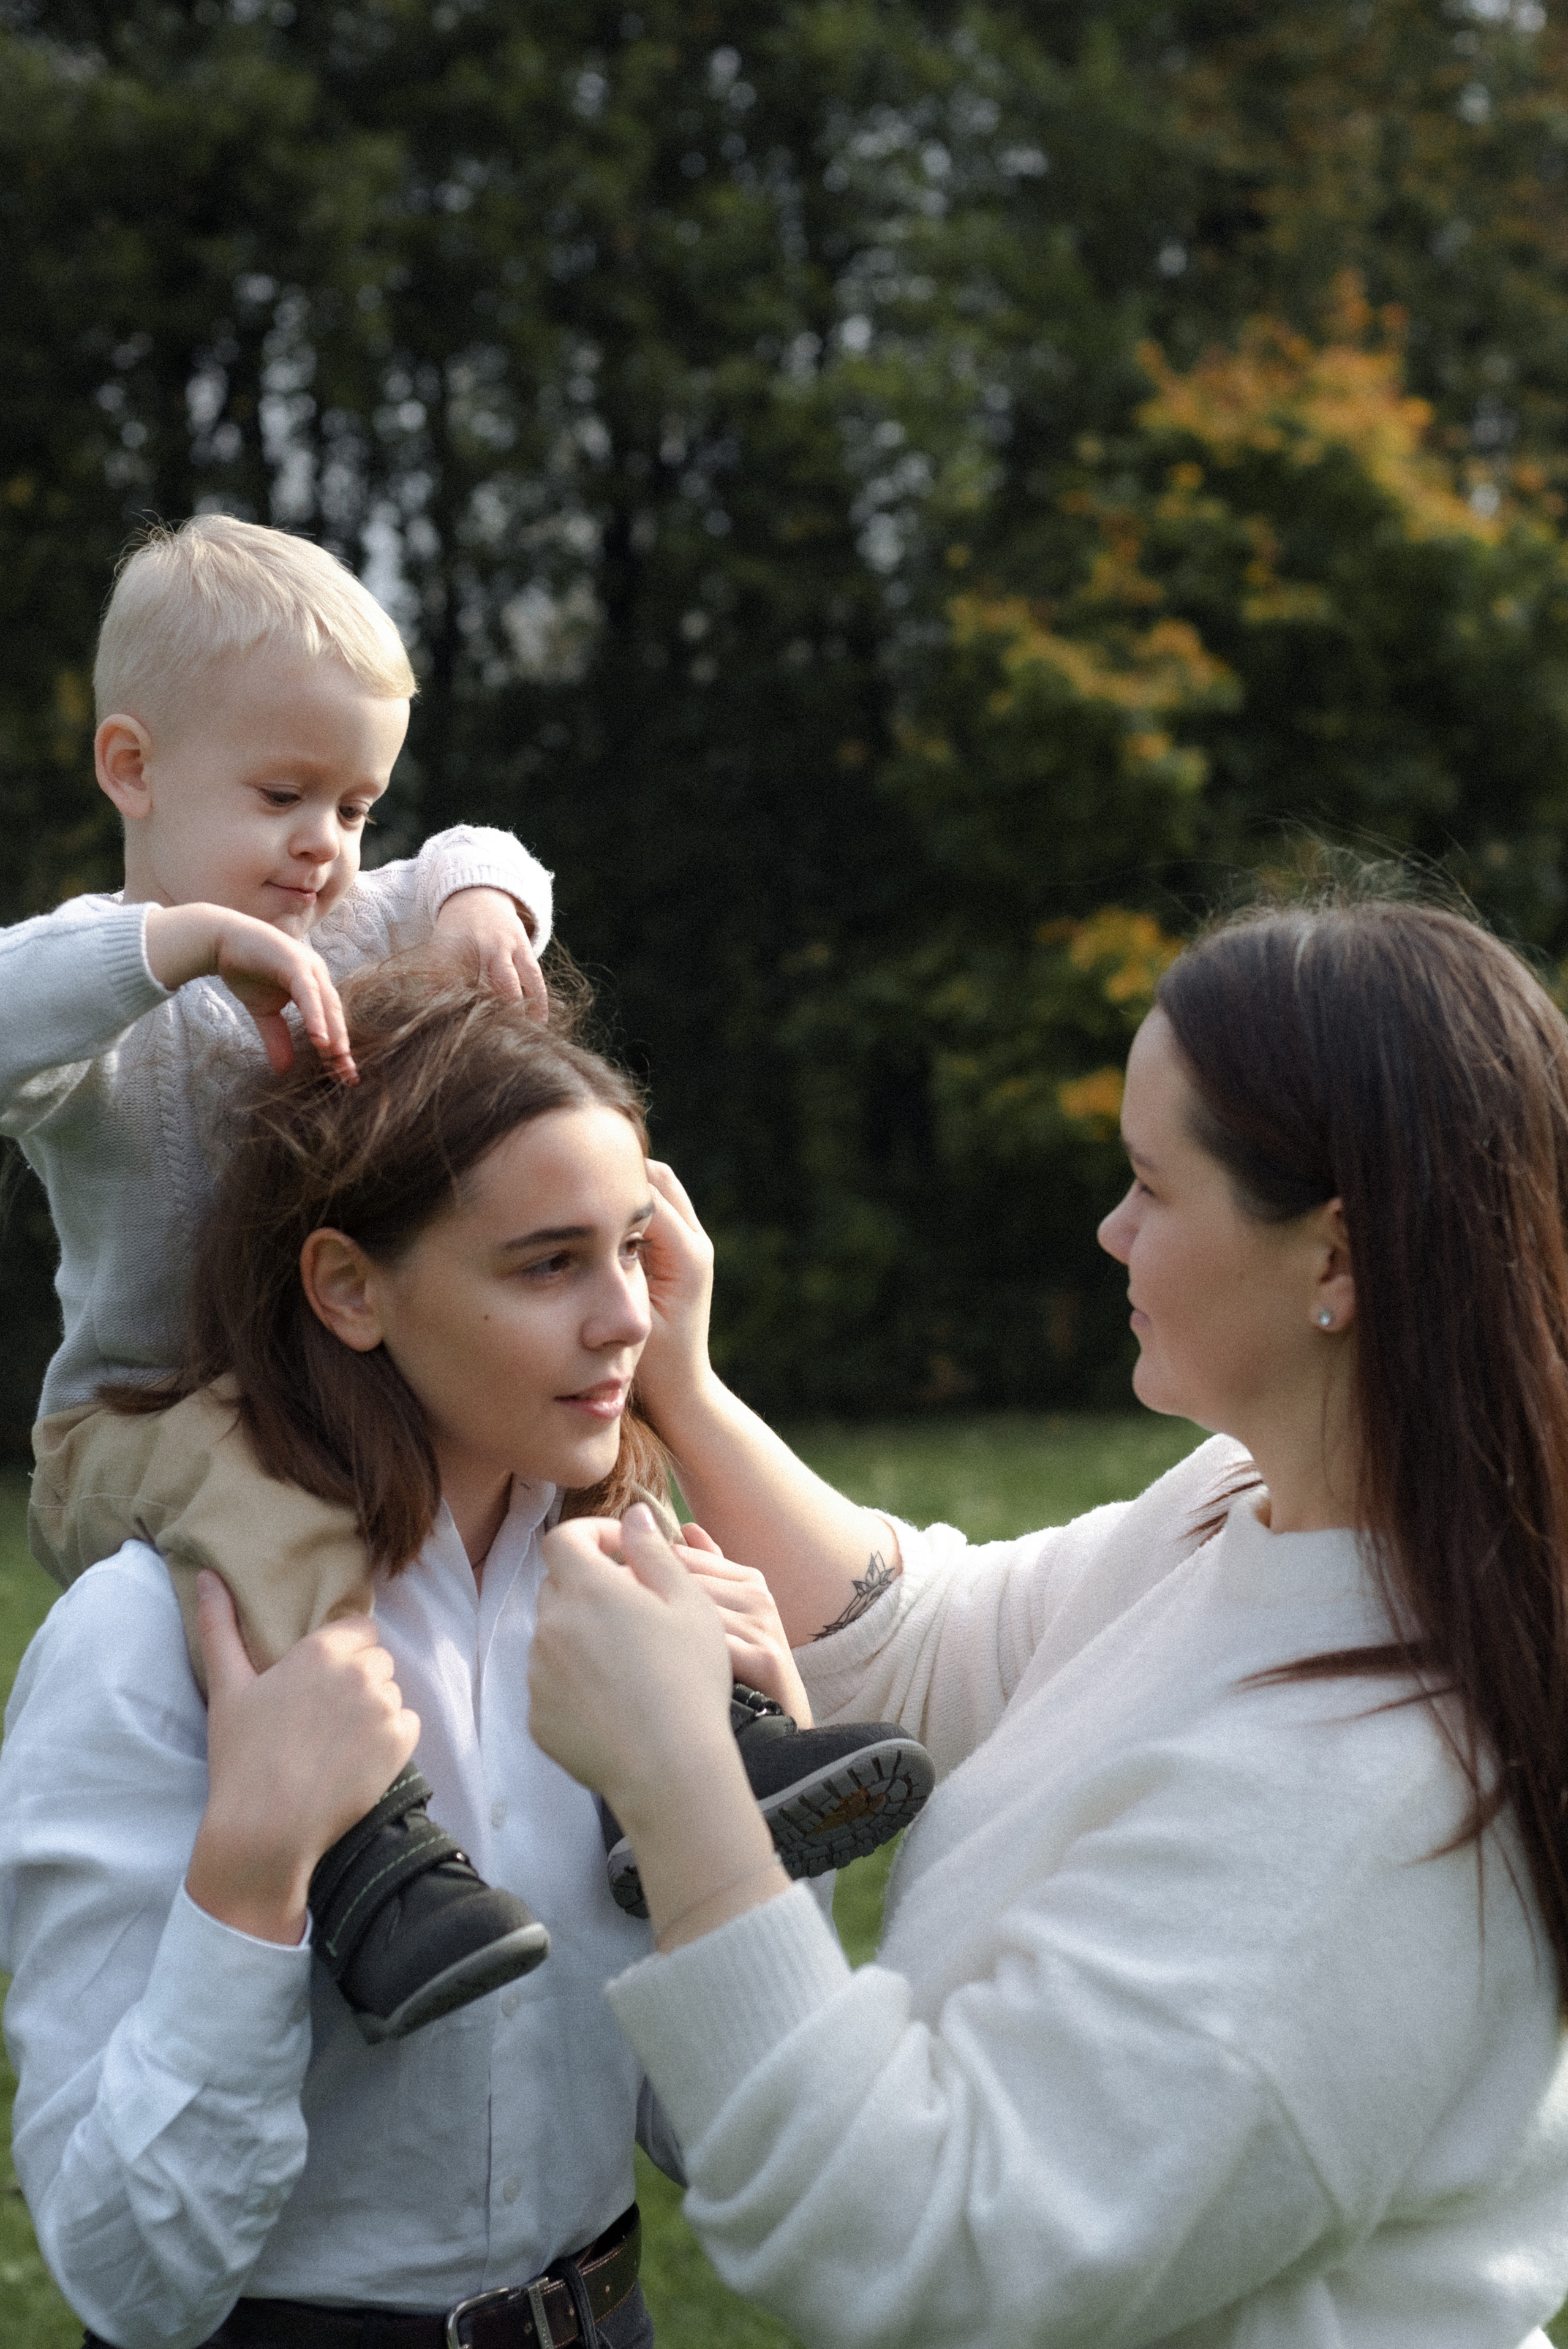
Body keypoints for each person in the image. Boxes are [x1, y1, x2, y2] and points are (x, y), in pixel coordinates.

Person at [530, 888, 1568, 2349]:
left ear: (1333, 1260)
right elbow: (943, 1639)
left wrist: (680, 1787)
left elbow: (919, 2249)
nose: (1108, 1226)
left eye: (1151, 1184)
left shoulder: (1367, 1798)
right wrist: (682, 1390)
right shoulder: (1253, 1507)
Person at [6, 513, 927, 2044]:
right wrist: (171, 946)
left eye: (357, 802)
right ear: (130, 766)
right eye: (285, 795)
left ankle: (714, 1744)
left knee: (587, 1437)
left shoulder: (355, 912)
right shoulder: (108, 986)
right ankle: (374, 1855)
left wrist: (480, 908)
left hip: (360, 1381)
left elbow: (483, 850)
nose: (325, 845)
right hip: (145, 1421)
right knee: (269, 1498)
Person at [0, 961, 815, 2348]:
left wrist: (738, 1819)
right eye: (549, 1263)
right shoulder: (147, 1645)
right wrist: (251, 1880)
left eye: (633, 1249)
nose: (627, 1319)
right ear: (348, 1289)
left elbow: (739, 2156)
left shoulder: (648, 1605)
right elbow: (130, 2283)